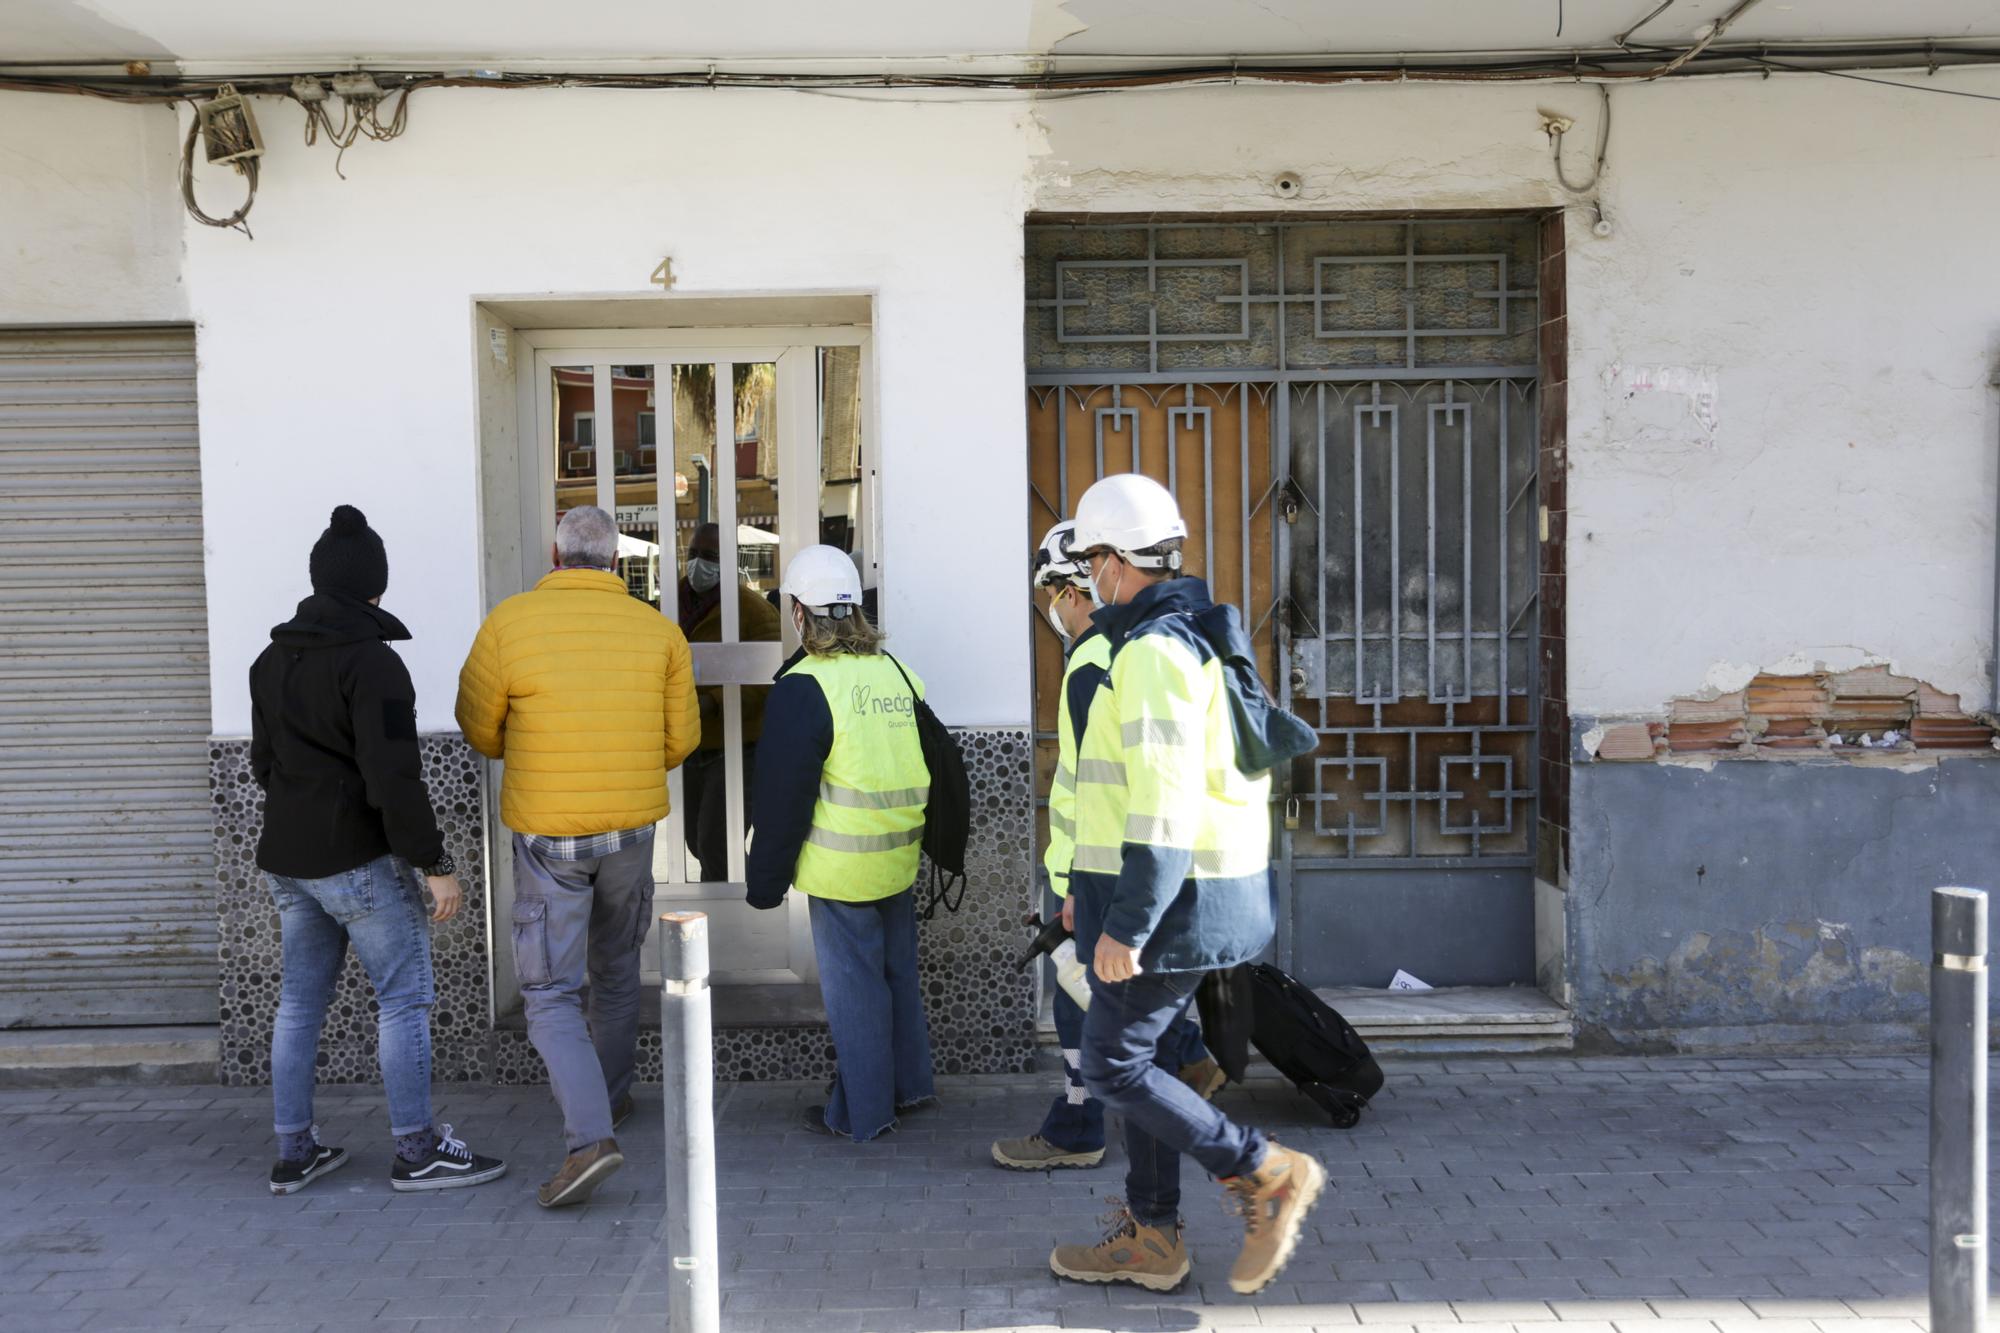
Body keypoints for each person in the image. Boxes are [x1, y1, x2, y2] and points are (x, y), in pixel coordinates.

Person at [1051, 474, 1326, 1296]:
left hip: (1173, 905)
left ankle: (1264, 1174)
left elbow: (1164, 806)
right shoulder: (1190, 635)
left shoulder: (1154, 653)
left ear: (1111, 561)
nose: (1089, 577)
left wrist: (1125, 927)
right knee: (1153, 1057)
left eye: (1092, 558)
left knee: (1111, 1063)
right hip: (1192, 897)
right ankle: (1154, 1234)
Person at [250, 505, 506, 1196]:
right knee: (403, 999)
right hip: (357, 863)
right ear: (376, 587)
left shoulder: (270, 660)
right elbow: (393, 775)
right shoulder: (375, 663)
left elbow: (262, 764)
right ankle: (418, 1149)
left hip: (287, 862)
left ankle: (293, 1150)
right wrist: (436, 865)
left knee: (299, 1004)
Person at [455, 505, 699, 1207]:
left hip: (549, 837)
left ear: (556, 558)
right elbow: (680, 741)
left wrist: (528, 751)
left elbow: (479, 725)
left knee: (550, 990)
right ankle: (611, 1099)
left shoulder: (510, 623)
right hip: (629, 830)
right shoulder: (659, 632)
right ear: (617, 563)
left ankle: (589, 1138)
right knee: (616, 968)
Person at [992, 521, 1225, 1172]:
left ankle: (1168, 1071)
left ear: (1072, 589)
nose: (1053, 611)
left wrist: (1072, 889)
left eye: (1053, 596)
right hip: (1103, 867)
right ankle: (1083, 1117)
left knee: (1097, 995)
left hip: (1092, 870)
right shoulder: (1122, 651)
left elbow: (1105, 789)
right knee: (1080, 1000)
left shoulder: (1094, 662)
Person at [745, 545, 935, 1141]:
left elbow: (784, 796)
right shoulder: (898, 672)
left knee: (856, 992)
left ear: (799, 612)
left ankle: (865, 1113)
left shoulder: (804, 686)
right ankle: (908, 1087)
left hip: (841, 869)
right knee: (896, 976)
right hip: (899, 857)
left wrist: (765, 882)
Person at [676, 523, 781, 883]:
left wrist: (712, 703)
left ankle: (733, 916)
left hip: (739, 747)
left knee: (717, 844)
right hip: (690, 745)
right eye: (693, 554)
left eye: (709, 556)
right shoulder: (671, 605)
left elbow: (771, 678)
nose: (698, 564)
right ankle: (755, 888)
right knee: (695, 841)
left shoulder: (753, 609)